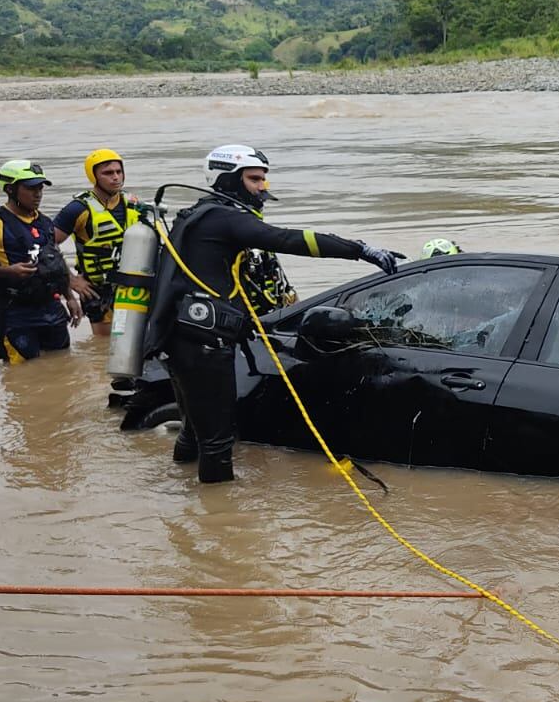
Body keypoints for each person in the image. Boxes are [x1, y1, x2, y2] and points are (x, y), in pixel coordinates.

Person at [143, 144, 404, 484]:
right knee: (218, 441)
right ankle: (222, 524)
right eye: (254, 179)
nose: (262, 188)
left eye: (264, 180)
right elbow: (287, 239)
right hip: (202, 345)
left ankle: (181, 507)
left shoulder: (197, 215)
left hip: (181, 340)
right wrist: (359, 249)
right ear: (228, 179)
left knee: (195, 431)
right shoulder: (224, 217)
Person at [0, 160, 86, 363]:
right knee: (21, 375)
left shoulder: (45, 222)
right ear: (11, 189)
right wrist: (8, 271)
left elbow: (56, 260)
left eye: (40, 188)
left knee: (62, 367)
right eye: (30, 188)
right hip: (16, 312)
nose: (37, 194)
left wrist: (70, 297)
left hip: (51, 308)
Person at [53, 148, 142, 337]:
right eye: (108, 173)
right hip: (98, 290)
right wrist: (71, 280)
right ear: (94, 176)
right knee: (104, 347)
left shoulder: (133, 202)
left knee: (138, 342)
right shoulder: (77, 209)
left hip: (133, 285)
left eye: (119, 172)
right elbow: (47, 245)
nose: (116, 177)